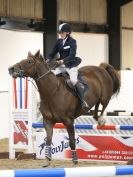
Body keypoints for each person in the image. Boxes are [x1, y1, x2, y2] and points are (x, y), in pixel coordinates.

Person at [46, 23, 89, 108]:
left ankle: (82, 101)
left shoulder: (72, 42)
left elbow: (72, 55)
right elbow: (53, 52)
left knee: (73, 80)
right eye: (60, 32)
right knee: (50, 76)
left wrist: (62, 61)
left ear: (68, 33)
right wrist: (48, 59)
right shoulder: (59, 41)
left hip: (71, 65)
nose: (60, 34)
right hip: (61, 66)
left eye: (62, 32)